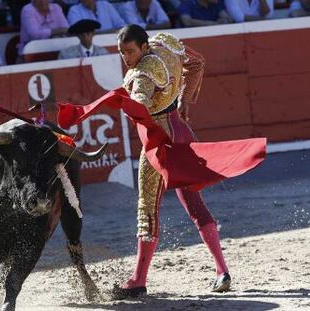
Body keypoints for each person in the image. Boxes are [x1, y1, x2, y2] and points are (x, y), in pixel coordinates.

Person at [110, 25, 231, 298]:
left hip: (159, 145)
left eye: (130, 51)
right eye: (121, 53)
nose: (126, 58)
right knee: (194, 204)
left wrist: (127, 102)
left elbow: (139, 100)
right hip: (181, 133)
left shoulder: (141, 73)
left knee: (147, 209)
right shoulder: (166, 44)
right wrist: (185, 100)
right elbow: (197, 61)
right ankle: (221, 270)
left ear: (143, 47)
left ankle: (138, 279)